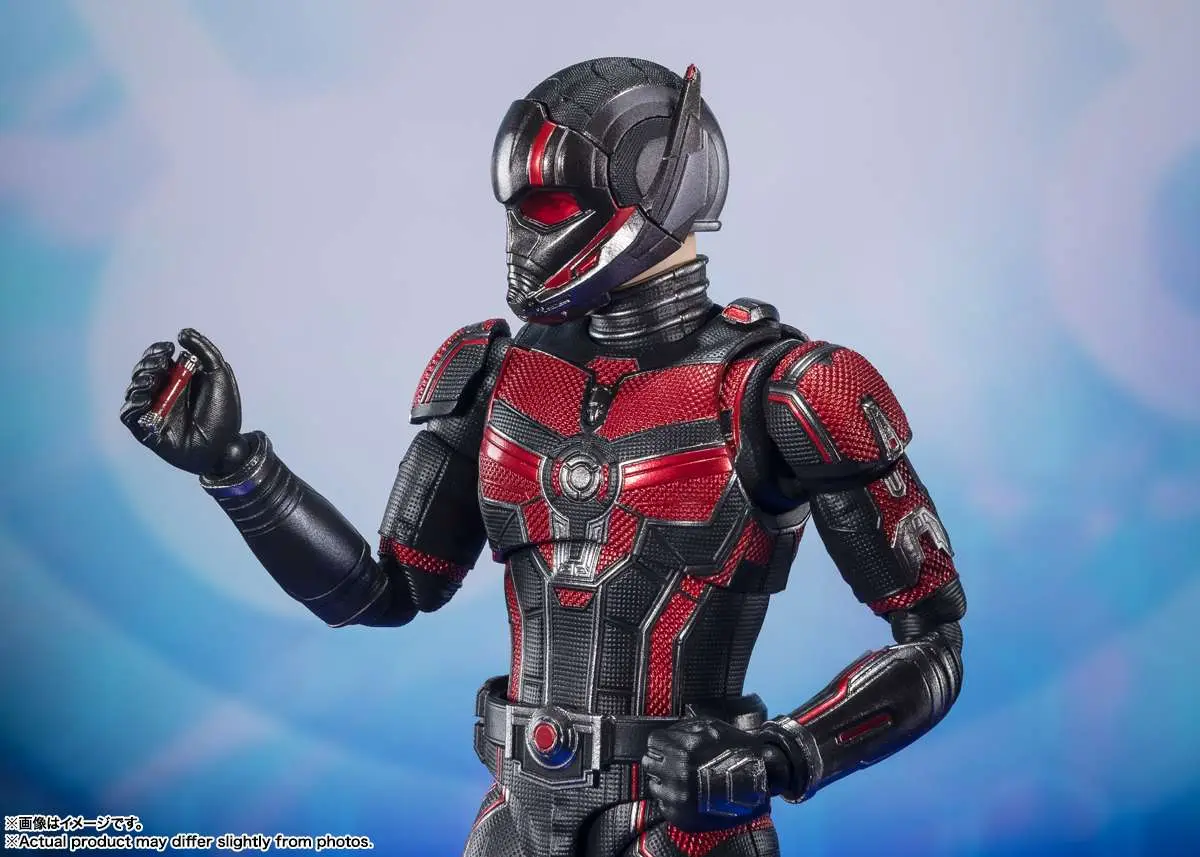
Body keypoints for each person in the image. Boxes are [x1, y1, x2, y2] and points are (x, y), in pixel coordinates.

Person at [120, 57, 966, 857]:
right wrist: (238, 470)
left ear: (656, 189)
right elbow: (385, 592)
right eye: (517, 207)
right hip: (516, 814)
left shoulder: (787, 388)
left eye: (551, 206)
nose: (524, 233)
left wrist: (780, 755)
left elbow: (932, 642)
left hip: (684, 824)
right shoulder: (495, 371)